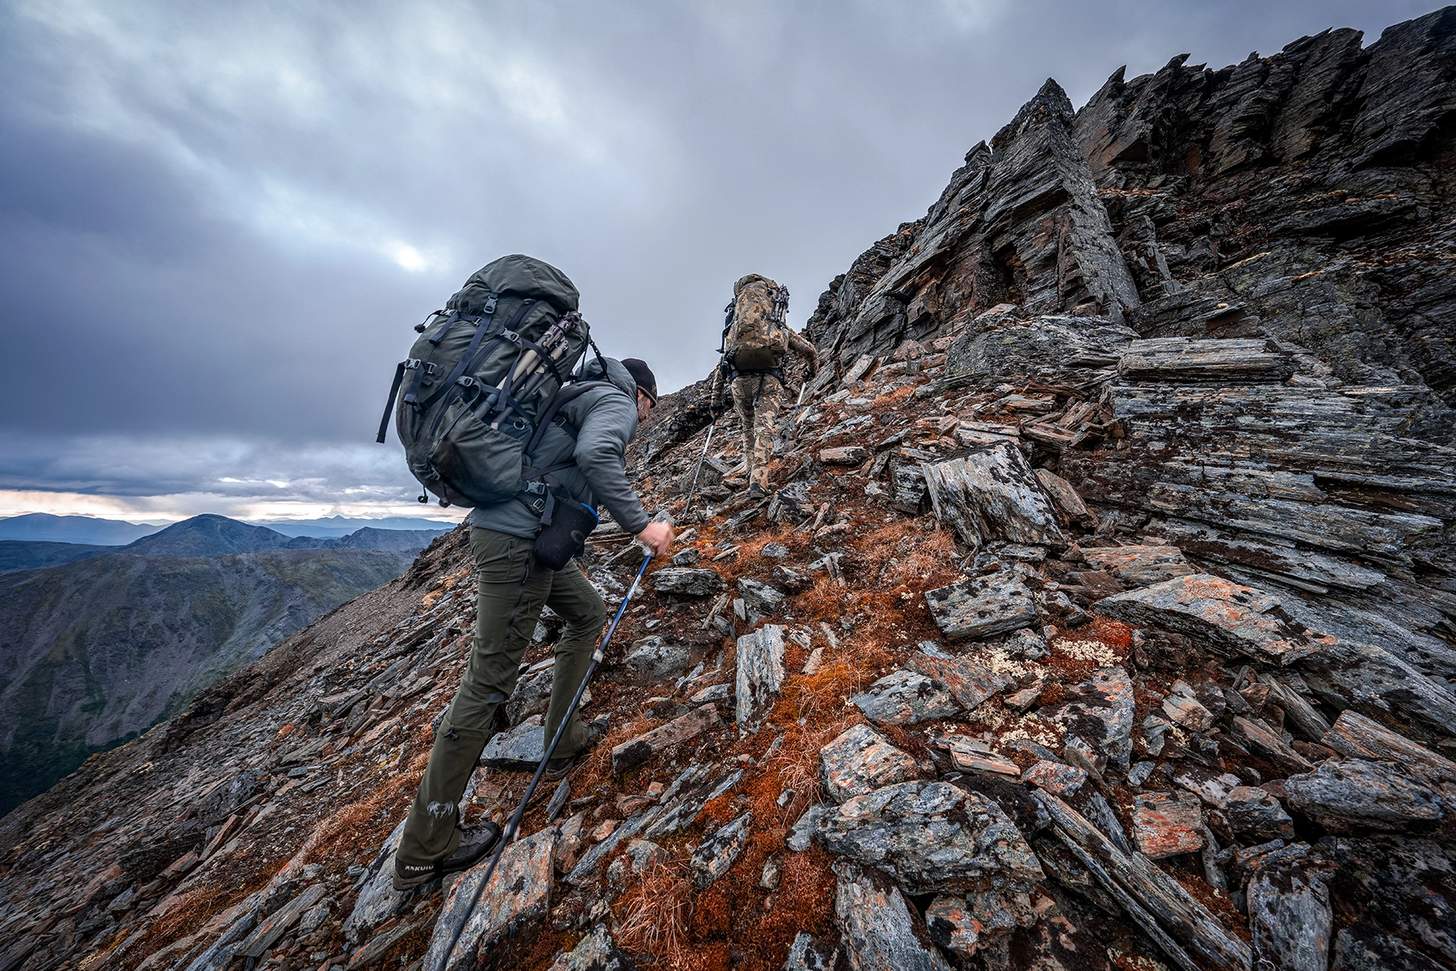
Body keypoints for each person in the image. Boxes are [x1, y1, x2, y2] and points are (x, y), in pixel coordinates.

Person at [393, 355, 673, 890]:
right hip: (519, 546)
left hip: (522, 537)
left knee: (587, 612)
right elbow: (596, 455)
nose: (648, 421)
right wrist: (643, 526)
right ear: (642, 395)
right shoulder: (614, 401)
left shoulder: (569, 394)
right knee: (488, 683)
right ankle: (423, 848)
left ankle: (562, 737)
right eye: (651, 410)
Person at [709, 274, 819, 497]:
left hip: (739, 381)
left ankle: (750, 470)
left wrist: (715, 402)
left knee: (747, 426)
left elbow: (722, 367)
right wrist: (812, 369)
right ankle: (758, 481)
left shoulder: (734, 331)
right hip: (769, 379)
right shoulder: (774, 328)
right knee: (764, 427)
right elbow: (809, 351)